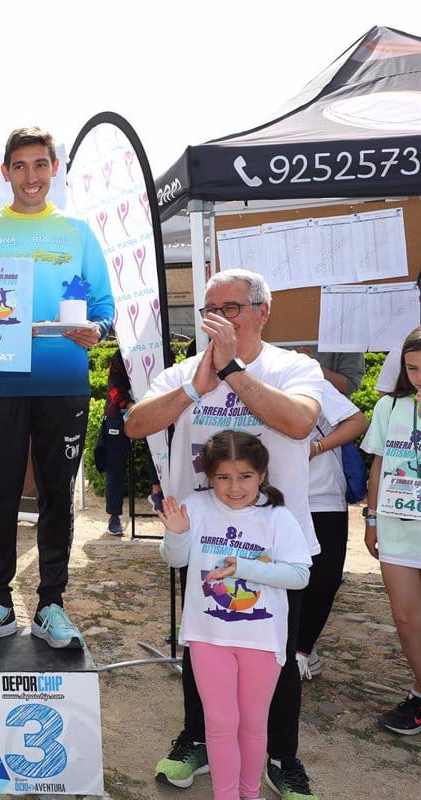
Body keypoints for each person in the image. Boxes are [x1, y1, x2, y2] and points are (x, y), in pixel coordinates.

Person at [126, 268, 326, 799]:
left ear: (263, 312)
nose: (218, 318)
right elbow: (135, 425)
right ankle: (197, 740)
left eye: (231, 307)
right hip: (202, 538)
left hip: (274, 542)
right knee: (203, 644)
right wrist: (196, 387)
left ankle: (281, 757)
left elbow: (300, 423)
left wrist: (233, 370)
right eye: (210, 309)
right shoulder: (186, 371)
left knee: (277, 655)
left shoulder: (293, 366)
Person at [0, 126, 114, 650]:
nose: (31, 176)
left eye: (41, 165)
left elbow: (103, 307)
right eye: (21, 166)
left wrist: (97, 330)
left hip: (62, 381)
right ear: (5, 172)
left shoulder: (78, 233)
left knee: (56, 495)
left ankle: (51, 603)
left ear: (55, 169)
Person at [158, 431, 312, 800]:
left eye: (245, 476)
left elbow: (299, 575)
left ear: (262, 475)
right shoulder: (196, 507)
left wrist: (244, 568)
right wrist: (177, 535)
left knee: (254, 723)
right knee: (220, 722)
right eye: (223, 477)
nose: (234, 487)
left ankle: (250, 793)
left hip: (262, 639)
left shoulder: (278, 516)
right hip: (207, 636)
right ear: (210, 477)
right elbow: (176, 559)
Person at [361, 326, 421, 736]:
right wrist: (370, 519)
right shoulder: (389, 406)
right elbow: (378, 466)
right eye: (412, 368)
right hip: (397, 526)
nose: (418, 377)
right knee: (405, 617)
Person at [296, 381, 368, 680]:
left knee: (323, 579)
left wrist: (316, 448)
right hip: (271, 498)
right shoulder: (239, 381)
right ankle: (288, 648)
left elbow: (358, 421)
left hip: (323, 496)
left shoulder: (309, 380)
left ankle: (301, 651)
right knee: (277, 576)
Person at [98, 349, 164, 535]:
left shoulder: (162, 349)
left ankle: (157, 494)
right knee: (115, 464)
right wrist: (131, 406)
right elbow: (114, 387)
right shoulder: (121, 354)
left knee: (159, 453)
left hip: (153, 408)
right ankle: (114, 515)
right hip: (120, 413)